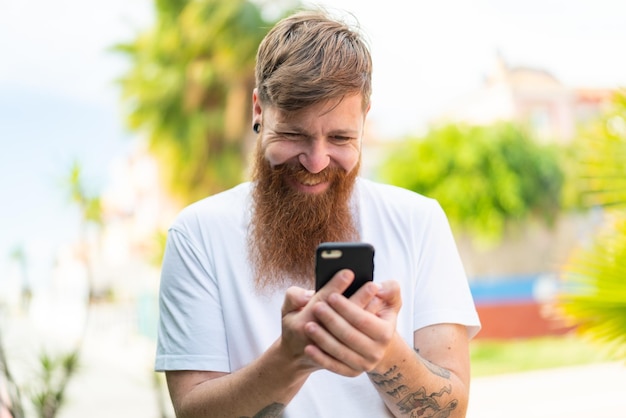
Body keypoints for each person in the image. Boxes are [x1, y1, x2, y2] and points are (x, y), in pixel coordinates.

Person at [155, 8, 480, 418]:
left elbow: (451, 411)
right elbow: (193, 411)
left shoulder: (419, 221)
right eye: (293, 135)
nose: (316, 161)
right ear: (259, 110)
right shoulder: (198, 233)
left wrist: (384, 353)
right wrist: (290, 358)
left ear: (364, 118)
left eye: (341, 137)